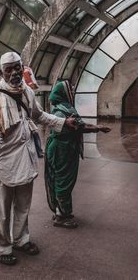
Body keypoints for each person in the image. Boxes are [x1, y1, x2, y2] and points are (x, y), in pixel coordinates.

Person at [0, 52, 77, 265]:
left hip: (27, 159)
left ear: (21, 66)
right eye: (9, 69)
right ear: (0, 72)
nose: (14, 72)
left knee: (23, 205)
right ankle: (1, 248)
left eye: (17, 67)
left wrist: (62, 122)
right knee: (2, 210)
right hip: (3, 162)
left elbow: (39, 116)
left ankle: (21, 239)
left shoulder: (26, 91)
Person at [44, 80, 111, 229]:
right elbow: (78, 127)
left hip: (63, 147)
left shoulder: (64, 107)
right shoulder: (62, 110)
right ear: (63, 93)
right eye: (71, 90)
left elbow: (78, 126)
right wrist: (97, 128)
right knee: (63, 181)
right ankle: (61, 217)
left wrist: (97, 128)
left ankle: (60, 211)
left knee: (60, 179)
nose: (73, 92)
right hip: (62, 149)